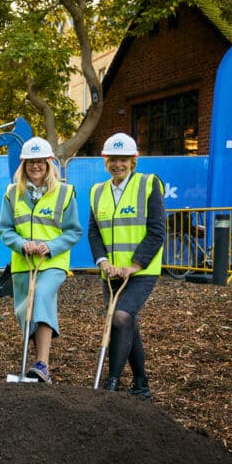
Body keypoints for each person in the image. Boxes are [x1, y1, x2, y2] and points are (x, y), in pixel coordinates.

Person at [0, 136, 82, 383]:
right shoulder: (13, 194)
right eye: (30, 162)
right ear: (23, 165)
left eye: (41, 161)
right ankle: (36, 365)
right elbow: (4, 229)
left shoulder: (65, 193)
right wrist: (22, 244)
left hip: (52, 263)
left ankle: (43, 363)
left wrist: (49, 247)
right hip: (23, 263)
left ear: (49, 163)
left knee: (42, 296)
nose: (36, 166)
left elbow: (74, 231)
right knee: (26, 312)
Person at [88, 132, 165, 399]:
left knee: (120, 318)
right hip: (111, 273)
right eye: (112, 159)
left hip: (141, 272)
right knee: (127, 324)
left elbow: (157, 231)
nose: (117, 164)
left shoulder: (148, 184)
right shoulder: (97, 192)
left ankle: (112, 382)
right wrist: (103, 261)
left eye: (123, 159)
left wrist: (135, 265)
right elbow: (94, 232)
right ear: (105, 162)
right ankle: (141, 384)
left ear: (134, 161)